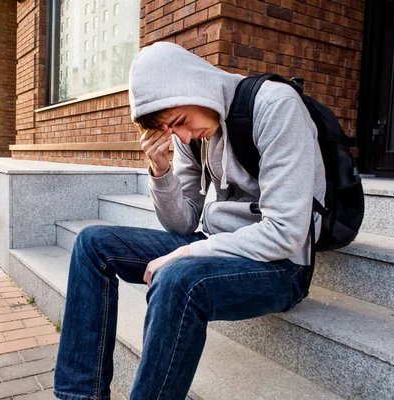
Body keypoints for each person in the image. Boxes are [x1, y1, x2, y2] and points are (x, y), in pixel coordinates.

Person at [54, 42, 326, 400]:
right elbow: (182, 224)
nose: (180, 136)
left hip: (281, 266)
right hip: (219, 249)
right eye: (170, 128)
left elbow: (285, 234)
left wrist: (186, 255)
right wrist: (161, 170)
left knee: (178, 279)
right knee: (92, 244)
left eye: (180, 122)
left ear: (196, 86)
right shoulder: (191, 135)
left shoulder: (276, 106)